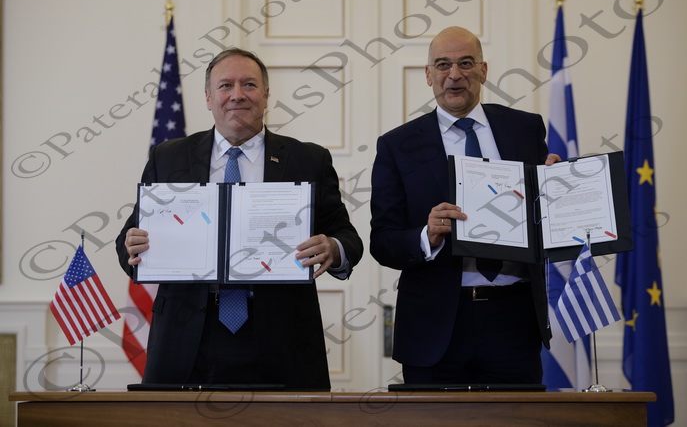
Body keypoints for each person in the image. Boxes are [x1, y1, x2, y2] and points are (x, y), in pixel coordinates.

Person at [116, 48, 363, 390]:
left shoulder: (308, 159)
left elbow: (347, 237)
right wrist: (131, 246)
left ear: (266, 95)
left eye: (249, 84)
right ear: (208, 97)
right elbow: (129, 239)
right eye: (225, 85)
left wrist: (333, 248)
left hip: (282, 338)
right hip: (186, 337)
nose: (237, 95)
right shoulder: (169, 157)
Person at [370, 26, 559, 385]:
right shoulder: (398, 145)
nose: (454, 75)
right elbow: (383, 241)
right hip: (434, 326)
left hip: (514, 320)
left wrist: (556, 190)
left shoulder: (525, 128)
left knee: (518, 415)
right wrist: (426, 235)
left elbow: (542, 218)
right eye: (443, 65)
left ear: (483, 71)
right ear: (428, 75)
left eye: (466, 63)